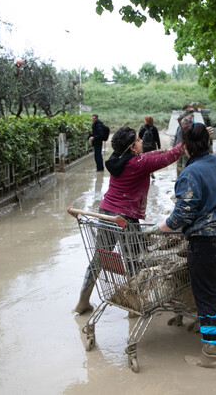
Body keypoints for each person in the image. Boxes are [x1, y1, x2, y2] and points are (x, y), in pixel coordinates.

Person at [151, 122, 216, 369]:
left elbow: (182, 215)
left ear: (185, 146)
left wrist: (159, 228)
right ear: (208, 142)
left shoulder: (190, 174)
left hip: (207, 241)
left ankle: (211, 353)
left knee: (206, 294)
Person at [74, 126, 185, 314]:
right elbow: (168, 158)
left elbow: (148, 157)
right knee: (133, 260)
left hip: (107, 212)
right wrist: (188, 141)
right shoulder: (137, 164)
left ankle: (83, 302)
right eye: (139, 140)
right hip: (125, 217)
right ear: (133, 148)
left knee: (100, 258)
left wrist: (159, 150)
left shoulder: (115, 159)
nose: (142, 141)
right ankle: (134, 307)